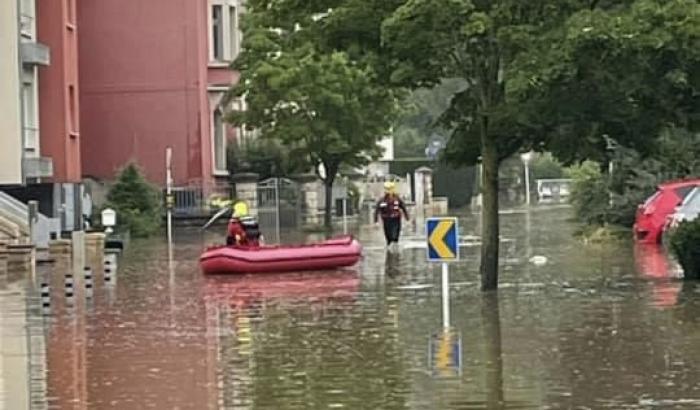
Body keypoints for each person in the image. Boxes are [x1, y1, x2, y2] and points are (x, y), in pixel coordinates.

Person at [374, 181, 409, 247]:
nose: (388, 191)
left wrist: (407, 219)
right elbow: (377, 210)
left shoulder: (397, 199)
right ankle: (390, 249)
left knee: (395, 236)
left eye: (389, 189)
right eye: (386, 189)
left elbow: (403, 207)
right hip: (386, 220)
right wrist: (376, 222)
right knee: (388, 237)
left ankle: (395, 249)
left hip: (396, 220)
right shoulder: (382, 200)